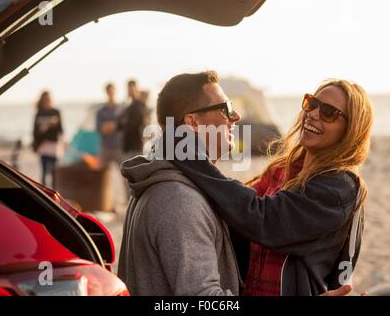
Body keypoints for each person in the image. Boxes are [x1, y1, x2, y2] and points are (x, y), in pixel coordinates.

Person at [118, 71, 355, 296]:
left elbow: (258, 214)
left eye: (329, 112)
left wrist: (186, 158)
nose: (236, 116)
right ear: (193, 123)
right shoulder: (180, 200)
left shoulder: (337, 188)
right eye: (225, 108)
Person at [32, 90, 64, 189]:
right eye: (45, 98)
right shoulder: (39, 113)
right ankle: (44, 192)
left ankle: (54, 192)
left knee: (54, 171)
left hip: (54, 145)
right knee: (44, 171)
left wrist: (63, 143)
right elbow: (35, 132)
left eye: (48, 98)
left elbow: (60, 130)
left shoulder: (56, 112)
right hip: (43, 145)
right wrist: (45, 126)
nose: (47, 100)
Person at [118, 80, 149, 159]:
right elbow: (120, 122)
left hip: (136, 146)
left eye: (132, 89)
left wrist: (122, 124)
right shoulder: (128, 106)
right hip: (129, 146)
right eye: (129, 89)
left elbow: (134, 124)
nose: (130, 91)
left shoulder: (140, 106)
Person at [96, 82, 122, 166]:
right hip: (105, 147)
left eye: (112, 91)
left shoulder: (121, 110)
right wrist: (115, 125)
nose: (111, 93)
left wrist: (108, 126)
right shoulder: (100, 111)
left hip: (119, 147)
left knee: (125, 174)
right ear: (106, 92)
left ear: (115, 91)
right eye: (109, 91)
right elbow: (99, 129)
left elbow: (123, 126)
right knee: (101, 174)